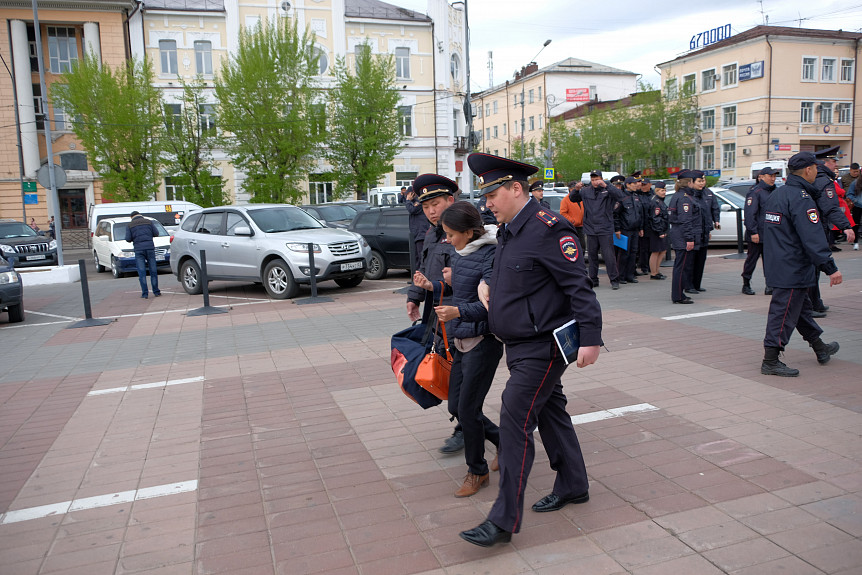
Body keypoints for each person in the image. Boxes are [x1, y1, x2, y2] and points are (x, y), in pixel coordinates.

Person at [459, 152, 602, 548]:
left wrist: (590, 339)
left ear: (515, 188)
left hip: (543, 346)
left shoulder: (548, 229)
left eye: (492, 195)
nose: (486, 203)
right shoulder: (509, 230)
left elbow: (579, 288)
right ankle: (574, 484)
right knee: (552, 412)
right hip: (518, 344)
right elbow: (526, 282)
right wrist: (491, 293)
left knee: (514, 422)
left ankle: (503, 521)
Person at [414, 201, 503, 498]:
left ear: (468, 231)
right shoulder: (458, 251)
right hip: (460, 340)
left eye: (452, 234)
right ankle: (504, 443)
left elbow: (491, 306)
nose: (448, 240)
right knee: (456, 407)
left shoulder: (492, 254)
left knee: (467, 410)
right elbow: (459, 291)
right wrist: (433, 287)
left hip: (483, 342)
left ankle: (476, 471)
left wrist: (459, 313)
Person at [761, 151, 842, 377]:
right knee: (784, 313)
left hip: (779, 263)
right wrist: (830, 268)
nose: (817, 171)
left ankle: (819, 347)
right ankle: (771, 360)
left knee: (800, 311)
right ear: (808, 170)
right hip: (793, 266)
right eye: (815, 168)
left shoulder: (778, 194)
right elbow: (812, 236)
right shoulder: (800, 197)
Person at [404, 176, 461, 453]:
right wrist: (414, 297)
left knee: (459, 373)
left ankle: (468, 425)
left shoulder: (464, 232)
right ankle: (465, 422)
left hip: (458, 315)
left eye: (435, 204)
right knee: (447, 371)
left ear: (450, 201)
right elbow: (423, 266)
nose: (431, 211)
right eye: (426, 206)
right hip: (435, 314)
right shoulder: (431, 233)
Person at [809, 146, 854, 315]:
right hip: (816, 228)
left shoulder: (818, 178)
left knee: (814, 268)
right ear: (824, 163)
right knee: (813, 268)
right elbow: (830, 207)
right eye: (834, 161)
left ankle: (815, 302)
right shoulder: (823, 180)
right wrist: (846, 226)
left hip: (815, 227)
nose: (836, 165)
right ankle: (811, 305)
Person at [580, 170, 624, 289]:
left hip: (605, 228)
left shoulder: (608, 190)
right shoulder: (585, 191)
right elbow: (573, 198)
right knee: (592, 256)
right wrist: (575, 189)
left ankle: (614, 280)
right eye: (593, 180)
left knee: (609, 256)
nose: (595, 182)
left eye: (597, 179)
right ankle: (593, 279)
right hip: (590, 228)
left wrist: (607, 185)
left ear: (601, 178)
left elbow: (621, 196)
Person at [668, 170, 703, 304]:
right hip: (682, 236)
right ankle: (678, 295)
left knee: (681, 266)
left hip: (680, 235)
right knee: (681, 267)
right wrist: (689, 238)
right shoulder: (684, 198)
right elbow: (685, 220)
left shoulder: (682, 195)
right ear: (689, 182)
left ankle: (679, 293)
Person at [742, 168, 778, 295]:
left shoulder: (774, 191)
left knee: (770, 260)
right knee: (752, 259)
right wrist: (753, 232)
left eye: (774, 176)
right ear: (761, 177)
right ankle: (746, 283)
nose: (773, 178)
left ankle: (770, 285)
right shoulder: (755, 192)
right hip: (757, 233)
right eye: (770, 176)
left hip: (770, 233)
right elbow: (750, 214)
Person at [688, 174, 720, 294]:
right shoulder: (690, 194)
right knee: (691, 260)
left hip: (705, 230)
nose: (702, 183)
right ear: (693, 182)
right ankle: (688, 284)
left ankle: (697, 284)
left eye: (703, 180)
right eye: (699, 181)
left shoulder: (708, 193)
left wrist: (716, 220)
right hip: (694, 231)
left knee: (701, 259)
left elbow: (715, 208)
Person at [614, 176, 645, 284]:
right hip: (625, 229)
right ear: (627, 185)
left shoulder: (636, 196)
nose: (636, 185)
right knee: (624, 254)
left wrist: (641, 228)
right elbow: (616, 214)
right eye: (634, 183)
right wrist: (617, 229)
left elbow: (640, 214)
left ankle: (630, 275)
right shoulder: (622, 197)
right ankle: (621, 276)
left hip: (635, 229)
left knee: (633, 253)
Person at [125, 211, 161, 299]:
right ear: (140, 215)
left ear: (132, 217)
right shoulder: (149, 222)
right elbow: (156, 233)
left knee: (142, 272)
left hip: (138, 250)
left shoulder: (130, 225)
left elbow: (128, 239)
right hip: (150, 248)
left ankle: (145, 294)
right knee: (153, 271)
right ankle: (156, 291)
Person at [404, 185, 430, 271]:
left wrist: (408, 200)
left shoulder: (420, 202)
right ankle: (418, 276)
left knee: (421, 257)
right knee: (417, 259)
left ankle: (423, 275)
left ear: (412, 194)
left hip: (421, 234)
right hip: (417, 234)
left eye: (408, 194)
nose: (407, 196)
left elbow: (412, 210)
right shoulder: (414, 202)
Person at [646, 181, 668, 280]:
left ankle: (657, 270)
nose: (664, 192)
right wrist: (660, 231)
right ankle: (654, 273)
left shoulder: (660, 200)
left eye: (665, 190)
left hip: (661, 229)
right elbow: (655, 218)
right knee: (655, 251)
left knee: (662, 251)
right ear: (657, 191)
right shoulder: (655, 202)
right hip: (655, 230)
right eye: (662, 190)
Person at [560, 180, 585, 250]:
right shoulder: (565, 200)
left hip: (581, 227)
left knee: (582, 247)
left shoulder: (581, 198)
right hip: (572, 227)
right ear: (570, 189)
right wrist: (572, 221)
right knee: (573, 247)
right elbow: (563, 213)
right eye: (575, 188)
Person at [636, 178, 654, 275]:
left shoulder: (653, 195)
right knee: (644, 248)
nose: (643, 186)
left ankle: (652, 266)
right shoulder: (638, 195)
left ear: (650, 185)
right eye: (641, 184)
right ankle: (644, 266)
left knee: (652, 247)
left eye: (645, 184)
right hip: (643, 224)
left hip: (652, 225)